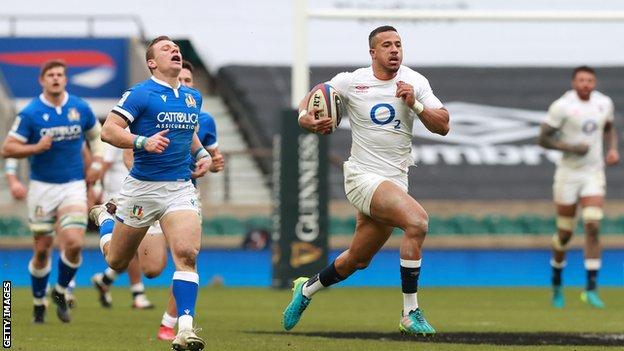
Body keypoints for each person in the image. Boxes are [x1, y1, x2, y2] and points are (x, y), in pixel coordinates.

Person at [282, 25, 450, 335]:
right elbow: (308, 103)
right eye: (387, 45)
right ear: (373, 52)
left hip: (395, 181)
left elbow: (443, 126)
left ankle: (305, 290)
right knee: (418, 222)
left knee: (357, 260)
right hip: (362, 177)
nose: (395, 49)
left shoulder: (415, 82)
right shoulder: (351, 81)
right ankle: (409, 312)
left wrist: (415, 103)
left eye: (398, 44)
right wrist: (306, 118)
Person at [90, 36, 210, 351]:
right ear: (152, 62)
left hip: (179, 188)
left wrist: (203, 156)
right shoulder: (140, 93)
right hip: (142, 189)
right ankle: (106, 218)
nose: (174, 50)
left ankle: (185, 330)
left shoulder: (192, 97)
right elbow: (108, 130)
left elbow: (190, 132)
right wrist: (142, 142)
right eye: (166, 48)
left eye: (177, 48)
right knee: (116, 261)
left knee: (187, 255)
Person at [1, 59, 104, 323]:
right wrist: (35, 148)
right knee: (43, 249)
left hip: (72, 186)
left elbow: (96, 135)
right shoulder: (31, 113)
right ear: (42, 80)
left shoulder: (79, 107)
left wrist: (97, 163)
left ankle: (59, 291)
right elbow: (8, 149)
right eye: (51, 75)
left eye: (60, 74)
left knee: (74, 242)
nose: (56, 78)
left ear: (65, 79)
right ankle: (38, 303)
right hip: (42, 188)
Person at [538, 66, 619, 309]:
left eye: (590, 80)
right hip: (568, 174)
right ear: (574, 82)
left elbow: (608, 128)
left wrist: (612, 148)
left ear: (594, 82)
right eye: (582, 80)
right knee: (565, 233)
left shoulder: (604, 103)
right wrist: (572, 148)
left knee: (593, 224)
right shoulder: (562, 106)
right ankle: (557, 282)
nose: (586, 84)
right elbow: (543, 138)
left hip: (592, 172)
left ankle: (591, 288)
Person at [156, 59, 224, 341]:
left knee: (186, 257)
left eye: (188, 81)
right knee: (150, 268)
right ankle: (109, 225)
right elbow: (129, 151)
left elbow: (215, 159)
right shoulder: (154, 108)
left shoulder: (204, 119)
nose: (183, 85)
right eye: (179, 80)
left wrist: (212, 161)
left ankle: (171, 324)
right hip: (149, 192)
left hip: (184, 194)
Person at [90, 141, 155, 310]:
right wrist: (96, 188)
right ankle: (138, 294)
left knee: (129, 247)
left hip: (137, 196)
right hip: (117, 197)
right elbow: (105, 164)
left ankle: (105, 280)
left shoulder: (143, 132)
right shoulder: (120, 135)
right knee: (132, 246)